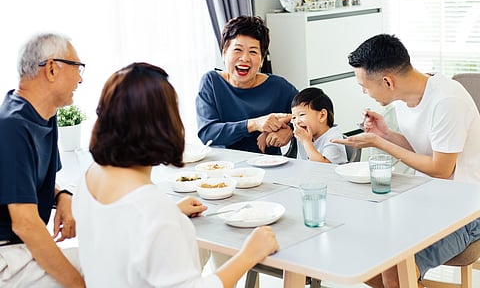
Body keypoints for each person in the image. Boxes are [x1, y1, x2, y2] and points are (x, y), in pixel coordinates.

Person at [73, 62, 279, 288]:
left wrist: (171, 212)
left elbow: (119, 231)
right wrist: (248, 255)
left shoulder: (89, 177)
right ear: (163, 123)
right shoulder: (153, 210)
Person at [332, 34, 480, 288]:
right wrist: (385, 133)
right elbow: (424, 150)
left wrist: (380, 143)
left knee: (395, 271)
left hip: (467, 211)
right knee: (358, 257)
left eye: (364, 86)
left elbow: (441, 170)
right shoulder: (405, 98)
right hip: (429, 200)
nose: (364, 92)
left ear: (388, 81)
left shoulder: (446, 101)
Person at [0, 33, 85, 287]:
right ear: (51, 69)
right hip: (7, 258)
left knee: (113, 259)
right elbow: (25, 223)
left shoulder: (44, 116)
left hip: (19, 250)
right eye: (77, 67)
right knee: (108, 266)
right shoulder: (11, 127)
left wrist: (62, 196)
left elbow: (28, 183)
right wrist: (77, 284)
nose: (80, 78)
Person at [196, 15, 298, 155]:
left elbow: (314, 116)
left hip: (268, 169)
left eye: (253, 52)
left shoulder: (278, 87)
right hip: (222, 169)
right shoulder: (212, 82)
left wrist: (290, 131)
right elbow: (208, 134)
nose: (244, 58)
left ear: (262, 60)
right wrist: (254, 124)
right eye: (237, 50)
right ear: (224, 54)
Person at [291, 87, 347, 163]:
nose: (297, 121)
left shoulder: (333, 138)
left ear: (322, 115)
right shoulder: (303, 134)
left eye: (302, 114)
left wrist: (306, 142)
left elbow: (324, 168)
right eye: (294, 117)